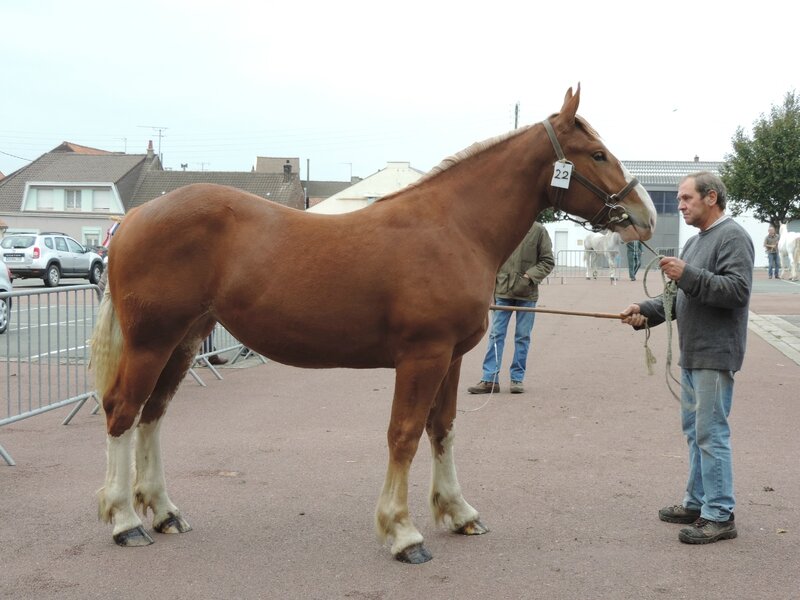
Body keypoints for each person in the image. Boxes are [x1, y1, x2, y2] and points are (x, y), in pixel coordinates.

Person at [621, 171, 754, 545]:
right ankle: (697, 503)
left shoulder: (734, 237)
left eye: (685, 199)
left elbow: (737, 292)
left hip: (716, 353)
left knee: (711, 434)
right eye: (679, 199)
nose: (679, 206)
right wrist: (644, 311)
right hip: (694, 353)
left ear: (711, 198)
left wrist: (688, 274)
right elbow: (679, 299)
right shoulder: (695, 243)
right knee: (696, 434)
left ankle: (720, 514)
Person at [468, 222, 554, 395]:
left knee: (522, 337)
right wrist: (490, 288)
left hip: (527, 294)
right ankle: (489, 378)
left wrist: (529, 276)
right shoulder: (504, 226)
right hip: (502, 291)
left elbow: (548, 261)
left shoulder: (539, 231)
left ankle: (517, 378)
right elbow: (491, 259)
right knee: (495, 335)